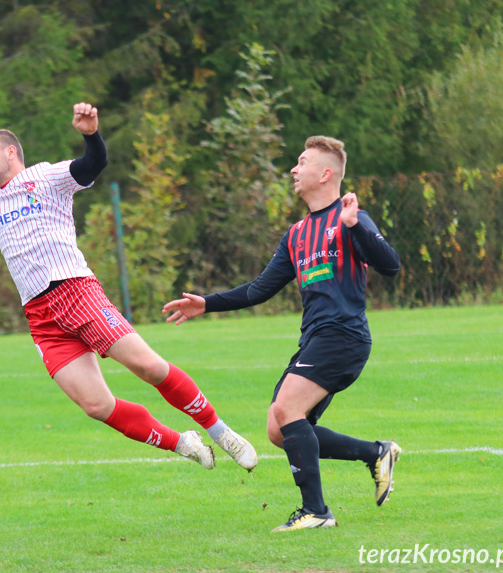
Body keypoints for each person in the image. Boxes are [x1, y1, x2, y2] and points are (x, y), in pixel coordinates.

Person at [0, 102, 258, 472]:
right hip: (40, 315)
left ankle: (221, 433)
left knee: (148, 367)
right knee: (97, 406)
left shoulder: (45, 177)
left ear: (11, 152)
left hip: (75, 291)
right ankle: (182, 442)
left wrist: (91, 134)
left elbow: (92, 165)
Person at [164, 136, 402, 532]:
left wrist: (355, 226)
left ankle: (316, 512)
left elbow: (390, 266)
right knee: (280, 430)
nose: (294, 169)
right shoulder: (296, 234)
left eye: (302, 161)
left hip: (343, 335)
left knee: (286, 410)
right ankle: (375, 453)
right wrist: (206, 303)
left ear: (326, 173)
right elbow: (260, 289)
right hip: (315, 340)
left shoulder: (350, 217)